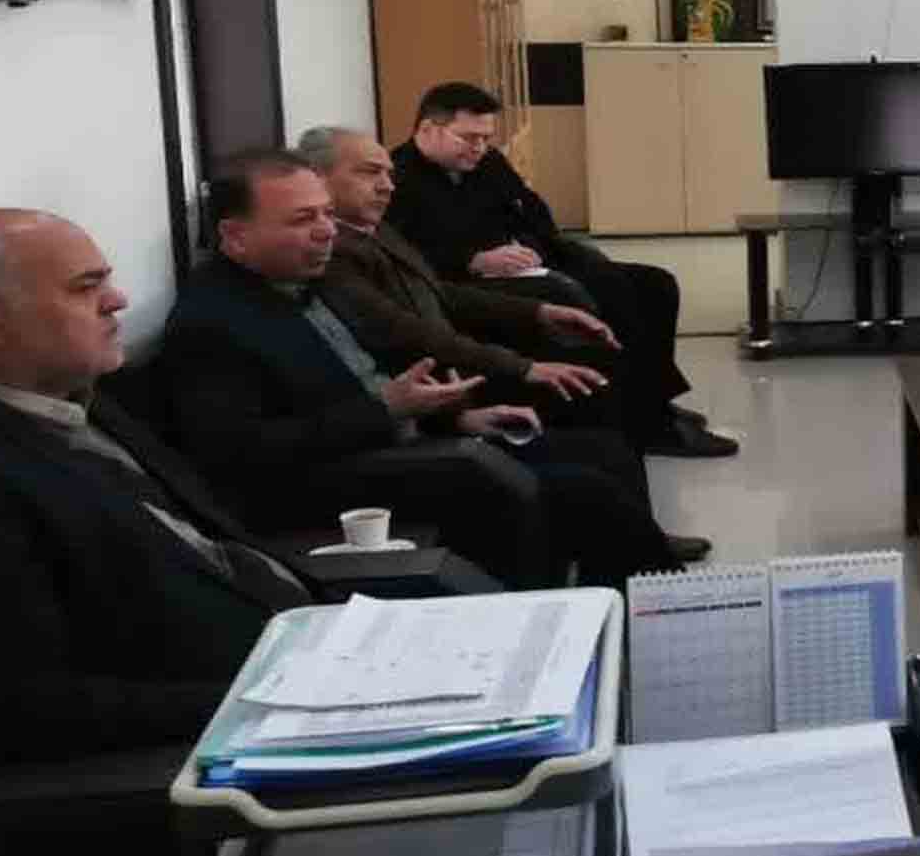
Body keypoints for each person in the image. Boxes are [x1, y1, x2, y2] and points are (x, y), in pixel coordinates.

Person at [161, 150, 694, 590]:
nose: (326, 232)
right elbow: (241, 456)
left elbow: (395, 344)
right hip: (331, 478)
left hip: (397, 436)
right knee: (586, 494)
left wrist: (456, 419)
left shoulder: (309, 277)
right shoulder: (211, 325)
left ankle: (635, 616)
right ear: (235, 236)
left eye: (325, 214)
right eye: (303, 220)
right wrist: (386, 410)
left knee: (602, 449)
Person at [0, 209, 324, 757]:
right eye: (86, 287)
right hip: (229, 730)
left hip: (307, 644)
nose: (118, 300)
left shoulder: (75, 394)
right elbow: (15, 707)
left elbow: (209, 548)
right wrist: (274, 701)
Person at [302, 124, 707, 561]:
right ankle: (637, 538)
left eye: (387, 174)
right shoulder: (333, 252)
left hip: (452, 373)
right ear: (316, 179)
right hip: (440, 387)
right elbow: (405, 331)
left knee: (603, 367)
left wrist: (538, 313)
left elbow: (441, 292)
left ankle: (641, 529)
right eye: (369, 173)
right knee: (596, 397)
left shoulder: (371, 227)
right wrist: (521, 368)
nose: (386, 186)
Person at [384, 81, 737, 458]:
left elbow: (531, 210)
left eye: (486, 139)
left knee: (655, 284)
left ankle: (653, 397)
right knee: (608, 291)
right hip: (465, 281)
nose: (479, 148)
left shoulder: (487, 163)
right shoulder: (396, 179)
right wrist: (471, 259)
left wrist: (530, 247)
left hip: (524, 265)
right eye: (469, 138)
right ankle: (647, 422)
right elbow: (406, 260)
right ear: (428, 129)